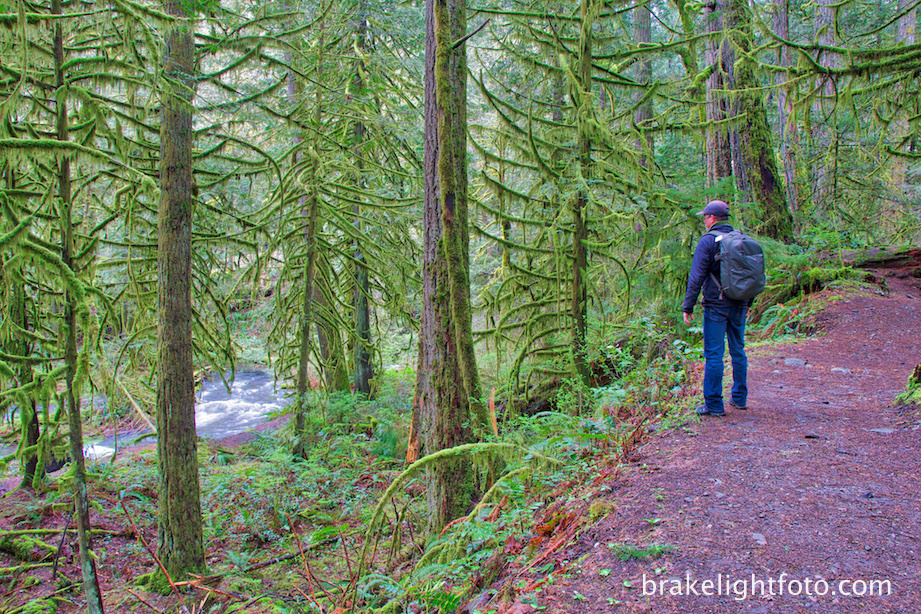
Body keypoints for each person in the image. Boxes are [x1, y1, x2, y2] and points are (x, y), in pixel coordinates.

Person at [682, 200, 750, 417]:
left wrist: (688, 306)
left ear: (712, 218)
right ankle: (739, 398)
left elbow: (696, 276)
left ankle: (713, 404)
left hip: (716, 306)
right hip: (739, 302)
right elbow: (754, 275)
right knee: (738, 350)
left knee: (714, 354)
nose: (704, 220)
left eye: (705, 217)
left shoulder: (708, 241)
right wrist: (749, 303)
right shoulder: (741, 239)